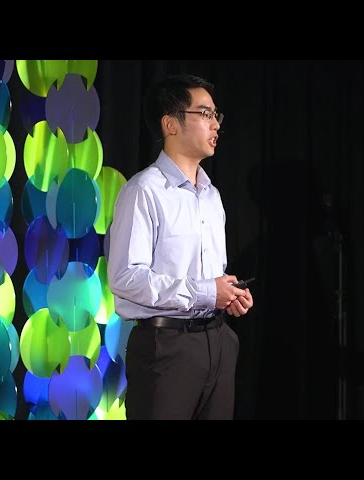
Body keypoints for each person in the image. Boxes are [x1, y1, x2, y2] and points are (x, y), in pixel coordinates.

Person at [107, 74, 254, 420]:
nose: (215, 124)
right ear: (171, 124)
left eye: (216, 115)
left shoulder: (212, 196)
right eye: (205, 114)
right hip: (166, 347)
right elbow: (125, 277)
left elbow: (208, 274)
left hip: (217, 342)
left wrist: (227, 294)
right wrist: (207, 292)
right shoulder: (144, 191)